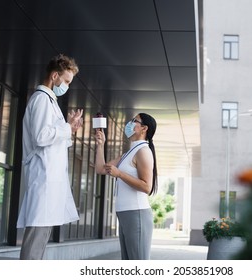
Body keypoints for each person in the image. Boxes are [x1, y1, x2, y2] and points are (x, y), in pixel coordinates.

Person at [17, 54, 83, 260]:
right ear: (55, 76)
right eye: (66, 81)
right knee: (36, 239)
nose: (67, 87)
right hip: (43, 179)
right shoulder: (42, 100)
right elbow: (41, 136)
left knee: (41, 238)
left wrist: (69, 129)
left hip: (49, 180)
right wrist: (66, 128)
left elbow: (54, 139)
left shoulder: (49, 102)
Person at [95, 113, 158, 260]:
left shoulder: (143, 151)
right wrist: (100, 144)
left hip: (136, 213)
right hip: (124, 213)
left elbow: (147, 187)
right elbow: (101, 169)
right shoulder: (128, 153)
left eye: (134, 121)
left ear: (144, 128)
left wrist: (120, 174)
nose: (129, 124)